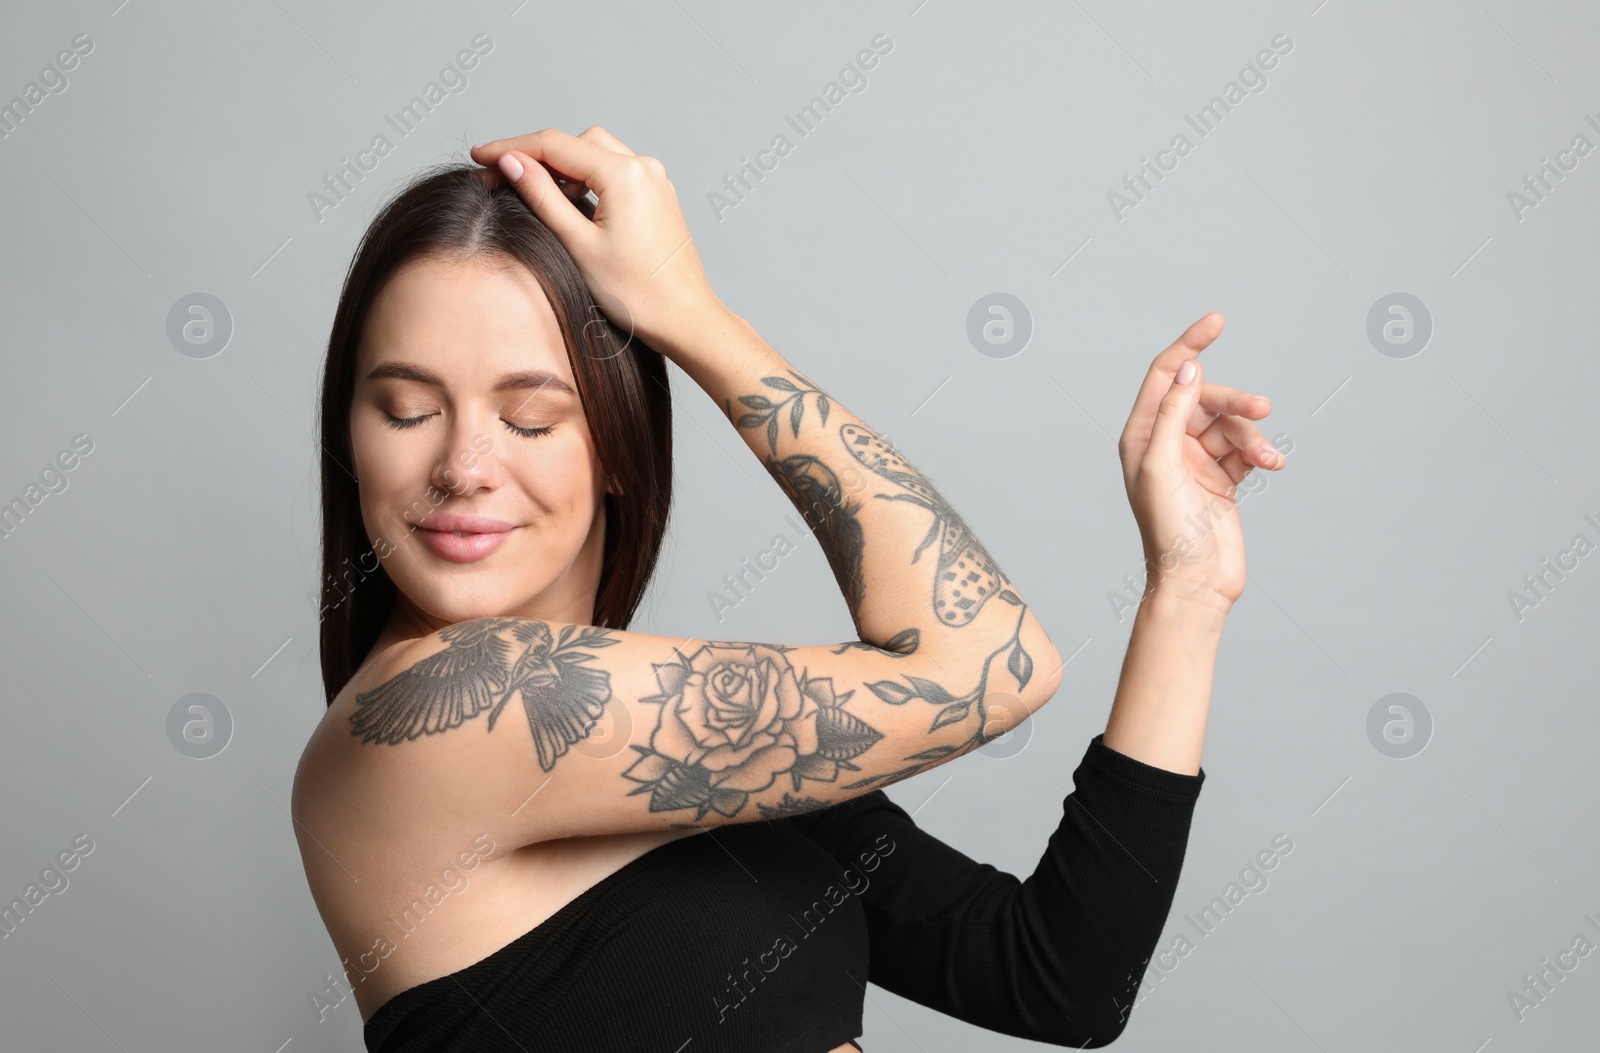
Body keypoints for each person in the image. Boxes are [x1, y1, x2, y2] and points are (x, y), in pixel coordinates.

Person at [290, 126, 1283, 1052]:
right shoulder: (426, 717)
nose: (464, 466)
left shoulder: (671, 743)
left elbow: (1059, 978)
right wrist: (689, 315)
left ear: (618, 453)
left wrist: (1187, 589)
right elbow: (986, 664)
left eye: (534, 418)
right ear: (350, 437)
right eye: (407, 409)